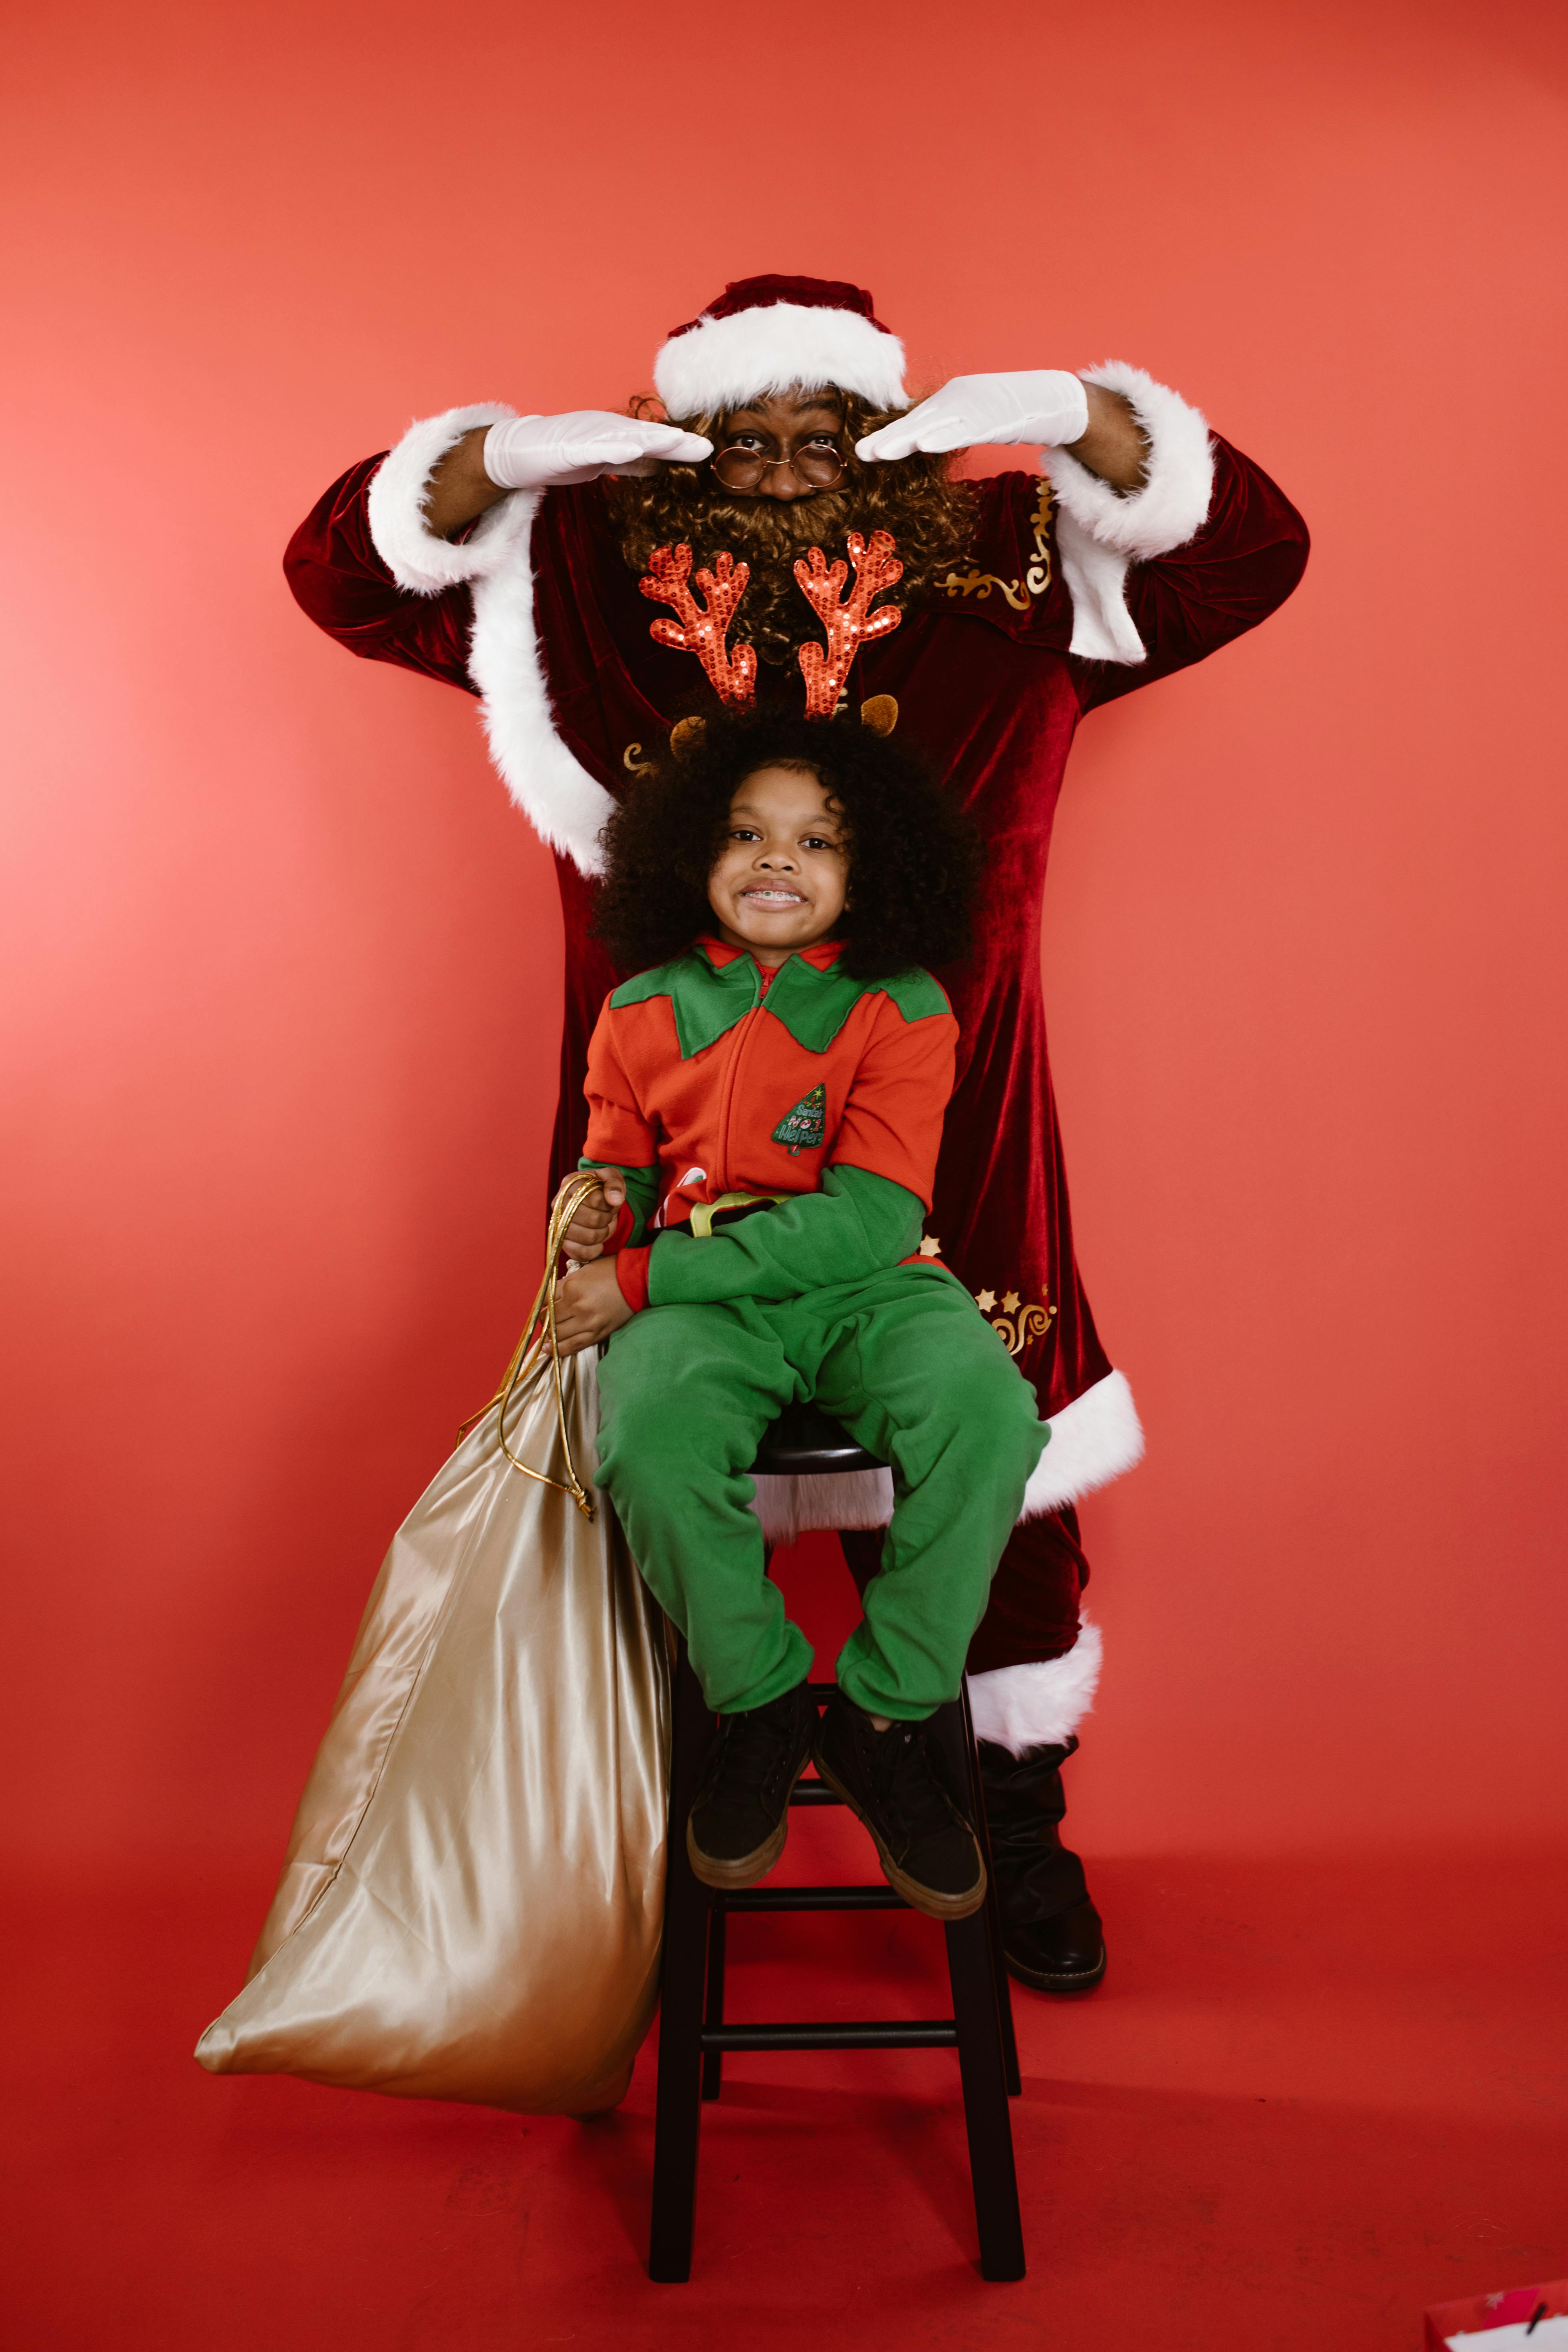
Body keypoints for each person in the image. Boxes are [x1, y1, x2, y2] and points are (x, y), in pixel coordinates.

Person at [285, 272, 1310, 1991]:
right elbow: (345, 569)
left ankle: (1005, 1804)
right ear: (681, 442)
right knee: (654, 1449)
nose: (777, 470)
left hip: (943, 1112)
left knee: (1003, 1435)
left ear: (885, 435)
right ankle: (699, 1772)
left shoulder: (1008, 562)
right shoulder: (579, 576)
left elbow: (1243, 552)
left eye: (818, 432)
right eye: (737, 438)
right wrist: (510, 459)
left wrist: (1066, 411)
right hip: (673, 1115)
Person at [549, 706, 1045, 1919]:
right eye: (747, 834)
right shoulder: (637, 1010)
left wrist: (646, 1276)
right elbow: (614, 1162)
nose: (778, 860)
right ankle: (760, 1697)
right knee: (649, 1436)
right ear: (690, 854)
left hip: (868, 1293)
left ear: (869, 868)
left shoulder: (904, 1004)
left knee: (991, 1412)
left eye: (817, 841)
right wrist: (595, 1212)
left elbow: (870, 1223)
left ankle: (885, 1711)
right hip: (710, 1318)